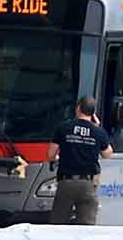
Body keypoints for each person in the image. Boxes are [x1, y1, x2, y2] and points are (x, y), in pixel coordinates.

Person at [46, 96, 113, 225]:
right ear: (93, 113)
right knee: (86, 228)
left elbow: (50, 155)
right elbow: (107, 154)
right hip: (88, 184)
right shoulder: (98, 132)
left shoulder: (63, 128)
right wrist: (96, 127)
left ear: (78, 108)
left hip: (66, 183)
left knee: (58, 225)